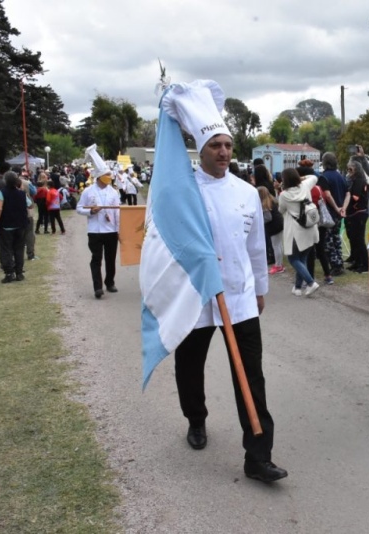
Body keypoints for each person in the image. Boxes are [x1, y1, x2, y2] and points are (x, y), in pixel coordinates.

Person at [154, 79, 286, 482]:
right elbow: (163, 240)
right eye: (216, 146)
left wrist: (260, 289)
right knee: (190, 365)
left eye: (228, 145)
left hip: (240, 298)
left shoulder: (247, 192)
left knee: (251, 376)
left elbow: (255, 247)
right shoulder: (181, 189)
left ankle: (258, 456)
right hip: (195, 298)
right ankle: (196, 418)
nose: (224, 152)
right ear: (201, 149)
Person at [78, 145, 121, 299]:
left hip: (110, 231)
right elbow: (79, 208)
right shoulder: (88, 191)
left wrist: (119, 230)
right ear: (99, 176)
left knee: (110, 259)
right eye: (107, 174)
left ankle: (110, 282)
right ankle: (97, 287)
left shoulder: (113, 192)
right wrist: (90, 211)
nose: (110, 177)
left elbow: (117, 212)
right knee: (96, 259)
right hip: (95, 231)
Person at [279, 168, 321, 296]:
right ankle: (297, 287)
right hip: (310, 227)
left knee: (293, 259)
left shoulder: (284, 195)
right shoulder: (305, 185)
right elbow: (315, 176)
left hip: (296, 230)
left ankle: (310, 282)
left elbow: (281, 210)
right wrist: (302, 178)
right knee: (302, 258)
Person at [0, 171, 30, 283]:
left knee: (6, 249)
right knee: (19, 249)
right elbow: (30, 204)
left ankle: (9, 273)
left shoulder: (2, 192)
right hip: (21, 224)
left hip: (6, 225)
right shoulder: (21, 193)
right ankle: (19, 272)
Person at [318, 152, 347, 276]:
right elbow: (348, 193)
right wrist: (342, 208)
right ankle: (340, 262)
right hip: (340, 211)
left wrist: (335, 208)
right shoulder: (340, 176)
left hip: (329, 212)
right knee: (337, 239)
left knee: (328, 240)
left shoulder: (323, 177)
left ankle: (336, 265)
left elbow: (328, 195)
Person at [342, 160, 369, 273]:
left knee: (359, 239)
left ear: (356, 169)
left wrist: (347, 194)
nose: (349, 171)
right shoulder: (352, 180)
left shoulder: (360, 180)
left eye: (351, 169)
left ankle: (364, 264)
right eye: (348, 169)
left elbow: (355, 197)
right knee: (353, 238)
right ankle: (356, 261)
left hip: (359, 212)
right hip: (352, 213)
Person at [258, 186, 284, 274]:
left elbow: (268, 218)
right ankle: (280, 263)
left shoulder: (264, 204)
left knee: (276, 246)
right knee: (279, 245)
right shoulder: (272, 200)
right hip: (279, 223)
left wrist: (259, 221)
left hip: (273, 226)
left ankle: (278, 265)